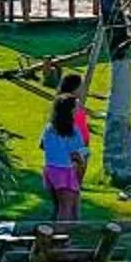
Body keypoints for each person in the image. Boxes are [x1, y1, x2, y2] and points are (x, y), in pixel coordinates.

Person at [39, 91, 87, 225]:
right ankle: (62, 238)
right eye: (76, 106)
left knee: (59, 205)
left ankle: (59, 235)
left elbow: (43, 145)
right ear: (70, 110)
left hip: (50, 170)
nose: (78, 109)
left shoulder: (49, 128)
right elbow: (77, 153)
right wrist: (81, 168)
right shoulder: (73, 130)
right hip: (65, 172)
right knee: (66, 208)